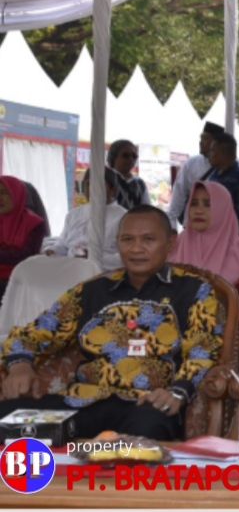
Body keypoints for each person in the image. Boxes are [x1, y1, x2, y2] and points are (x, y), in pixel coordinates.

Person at [0, 205, 224, 440]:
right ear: (117, 242)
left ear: (171, 243)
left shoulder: (194, 290)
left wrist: (178, 392)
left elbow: (203, 348)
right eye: (127, 239)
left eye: (148, 239)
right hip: (83, 401)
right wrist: (19, 366)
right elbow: (33, 333)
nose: (136, 248)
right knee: (6, 416)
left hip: (147, 404)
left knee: (146, 430)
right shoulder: (92, 291)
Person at [170, 182, 239, 360]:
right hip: (175, 335)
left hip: (226, 340)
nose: (199, 210)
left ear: (223, 208)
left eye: (208, 204)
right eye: (194, 203)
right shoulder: (172, 248)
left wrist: (209, 322)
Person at [167, 122, 239, 228]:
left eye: (205, 139)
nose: (201, 142)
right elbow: (178, 196)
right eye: (201, 138)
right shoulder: (192, 164)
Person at [43, 168, 126, 271]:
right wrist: (53, 250)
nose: (92, 189)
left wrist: (94, 257)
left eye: (99, 184)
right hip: (70, 270)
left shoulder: (124, 218)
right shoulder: (74, 214)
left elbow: (127, 256)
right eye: (88, 184)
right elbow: (63, 243)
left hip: (104, 274)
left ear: (113, 190)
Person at [0, 176, 46, 307]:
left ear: (16, 193)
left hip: (19, 278)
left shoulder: (34, 223)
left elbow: (26, 255)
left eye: (4, 192)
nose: (0, 198)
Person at [200, 132, 239, 232]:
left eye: (212, 151)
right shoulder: (212, 176)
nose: (209, 154)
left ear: (222, 154)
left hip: (236, 231)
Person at [108, 139, 151, 209]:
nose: (131, 159)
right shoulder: (106, 179)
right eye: (126, 155)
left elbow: (146, 209)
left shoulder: (140, 183)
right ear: (114, 157)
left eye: (134, 156)